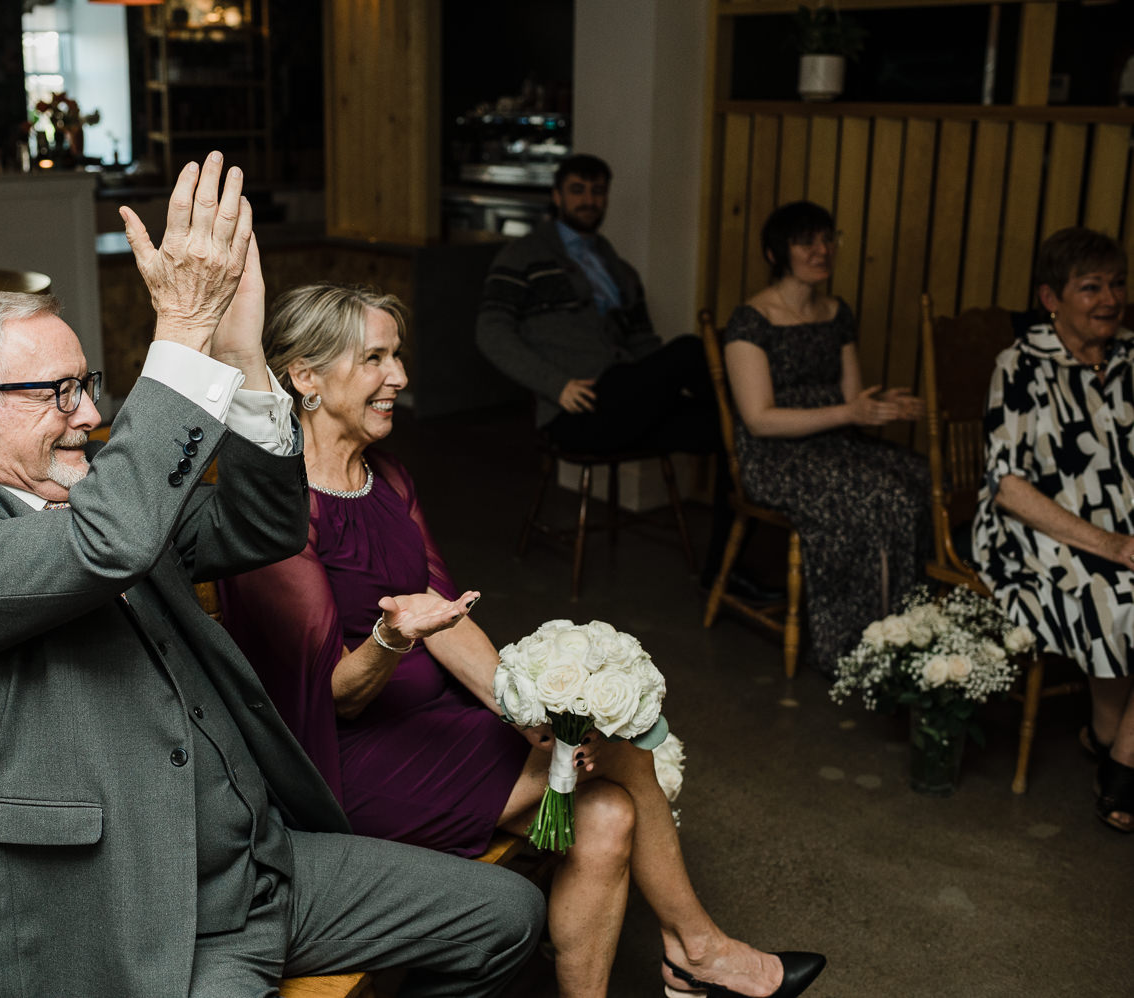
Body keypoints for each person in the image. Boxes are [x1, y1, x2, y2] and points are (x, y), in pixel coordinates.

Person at [0, 152, 544, 997]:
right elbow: (101, 549)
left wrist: (244, 358)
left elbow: (259, 524)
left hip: (266, 867)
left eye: (90, 385)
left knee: (507, 915)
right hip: (140, 917)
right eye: (60, 392)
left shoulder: (109, 492)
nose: (92, 413)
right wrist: (181, 334)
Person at [219, 282, 826, 998]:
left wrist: (529, 709)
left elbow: (447, 619)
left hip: (435, 725)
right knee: (626, 753)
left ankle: (682, 961)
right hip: (347, 766)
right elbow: (331, 700)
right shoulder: (280, 510)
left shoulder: (388, 479)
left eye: (397, 355)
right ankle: (700, 951)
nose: (401, 377)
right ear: (306, 377)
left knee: (605, 813)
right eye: (375, 359)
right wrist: (389, 638)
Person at [476, 153, 768, 599]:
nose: (589, 200)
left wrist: (672, 386)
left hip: (629, 401)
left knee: (733, 432)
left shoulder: (617, 267)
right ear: (557, 196)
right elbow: (490, 331)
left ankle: (724, 573)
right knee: (694, 351)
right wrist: (556, 384)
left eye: (597, 191)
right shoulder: (523, 257)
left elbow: (645, 344)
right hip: (579, 412)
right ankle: (767, 416)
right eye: (578, 190)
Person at [971, 226, 1134, 833]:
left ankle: (1116, 744)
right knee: (1117, 591)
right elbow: (1009, 488)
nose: (1110, 299)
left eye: (1116, 283)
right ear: (1051, 297)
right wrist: (1113, 544)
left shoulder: (1132, 357)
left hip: (1124, 528)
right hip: (1037, 527)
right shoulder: (1020, 365)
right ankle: (1117, 752)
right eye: (1090, 287)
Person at [722, 201, 930, 672]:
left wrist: (878, 409)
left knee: (923, 479)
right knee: (887, 495)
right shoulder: (751, 320)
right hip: (775, 456)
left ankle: (915, 633)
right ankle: (862, 642)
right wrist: (849, 411)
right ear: (778, 253)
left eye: (827, 239)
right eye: (806, 242)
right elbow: (759, 420)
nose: (822, 250)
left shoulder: (837, 313)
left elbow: (853, 401)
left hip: (837, 442)